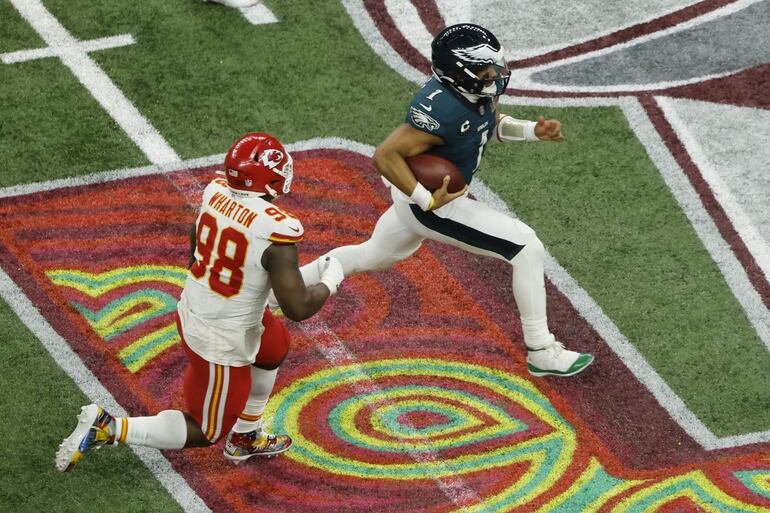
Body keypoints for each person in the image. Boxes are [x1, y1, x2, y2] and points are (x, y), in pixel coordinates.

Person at [284, 23, 593, 377]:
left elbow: (488, 125)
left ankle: (276, 292)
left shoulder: (477, 92)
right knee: (526, 247)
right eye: (484, 69)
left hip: (420, 200)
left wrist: (532, 132)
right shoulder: (439, 108)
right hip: (431, 202)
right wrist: (426, 200)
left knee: (372, 255)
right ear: (459, 71)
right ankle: (541, 350)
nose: (493, 74)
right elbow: (386, 156)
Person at [55, 132, 345, 472]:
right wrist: (331, 279)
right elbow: (298, 308)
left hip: (204, 307)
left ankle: (247, 435)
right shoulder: (277, 235)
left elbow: (195, 237)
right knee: (205, 429)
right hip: (219, 338)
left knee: (274, 343)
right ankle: (109, 427)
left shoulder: (216, 192)